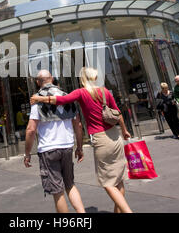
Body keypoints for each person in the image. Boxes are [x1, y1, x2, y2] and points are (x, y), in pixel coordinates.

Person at [31, 67, 133, 213]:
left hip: (101, 139)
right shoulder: (104, 91)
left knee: (108, 183)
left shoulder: (81, 92)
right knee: (118, 179)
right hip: (115, 137)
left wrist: (39, 98)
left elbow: (61, 100)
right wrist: (124, 130)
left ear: (82, 79)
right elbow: (118, 113)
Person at [24, 70, 85, 213]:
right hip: (67, 146)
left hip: (48, 149)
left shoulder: (37, 99)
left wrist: (27, 153)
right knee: (70, 185)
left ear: (38, 82)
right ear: (52, 79)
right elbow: (79, 125)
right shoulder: (67, 97)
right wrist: (80, 147)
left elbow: (31, 130)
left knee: (57, 191)